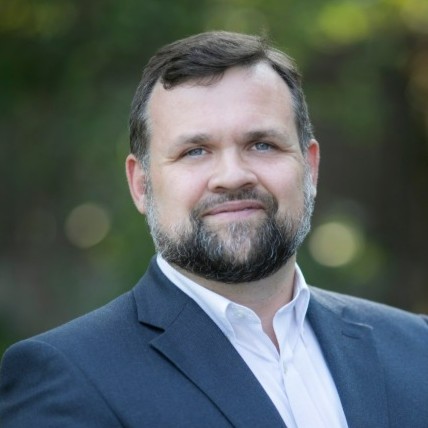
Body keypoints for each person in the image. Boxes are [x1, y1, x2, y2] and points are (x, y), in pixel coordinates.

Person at [1, 31, 427, 428]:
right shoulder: (65, 376)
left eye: (262, 144)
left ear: (310, 168)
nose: (232, 176)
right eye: (195, 151)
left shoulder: (417, 348)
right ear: (141, 185)